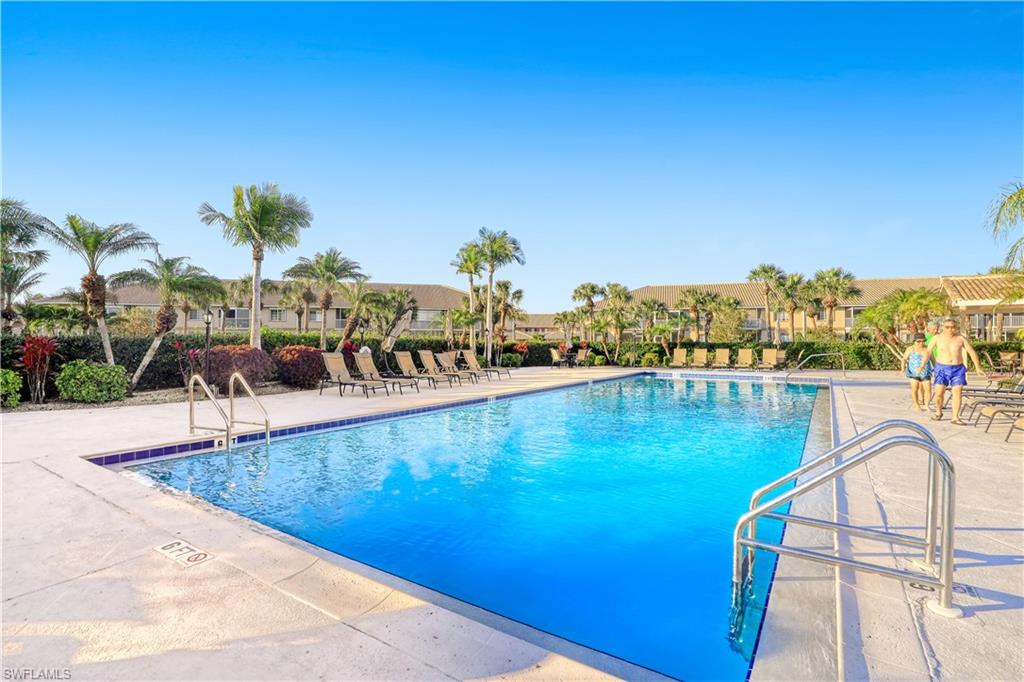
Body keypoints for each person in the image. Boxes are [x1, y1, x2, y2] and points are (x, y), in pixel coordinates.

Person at [925, 318, 983, 425]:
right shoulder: (937, 338)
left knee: (957, 392)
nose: (950, 329)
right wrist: (922, 365)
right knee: (939, 394)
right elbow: (928, 352)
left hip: (958, 369)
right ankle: (938, 412)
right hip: (942, 368)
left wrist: (977, 367)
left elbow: (971, 351)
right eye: (947, 327)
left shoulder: (961, 339)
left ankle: (955, 417)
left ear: (955, 327)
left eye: (952, 327)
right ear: (943, 327)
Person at [901, 333, 932, 410]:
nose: (921, 343)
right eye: (918, 341)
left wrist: (937, 369)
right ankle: (916, 405)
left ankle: (927, 405)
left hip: (925, 371)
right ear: (914, 341)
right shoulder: (910, 349)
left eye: (923, 341)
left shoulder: (927, 349)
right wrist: (902, 369)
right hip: (913, 372)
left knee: (928, 388)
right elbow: (904, 359)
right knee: (915, 388)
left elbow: (933, 360)